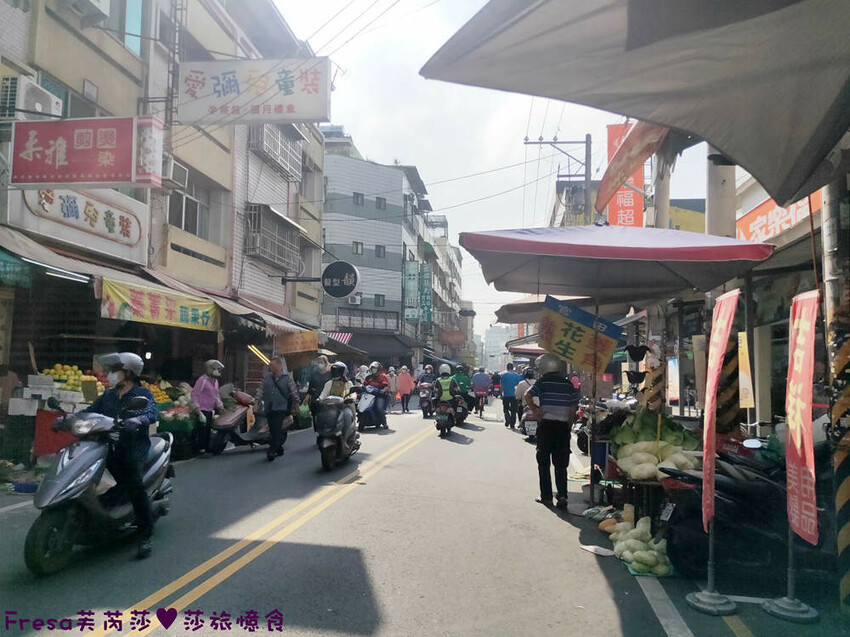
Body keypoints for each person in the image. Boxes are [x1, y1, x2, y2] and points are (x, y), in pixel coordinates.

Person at [82, 352, 158, 559]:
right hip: (108, 447)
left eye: (114, 371)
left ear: (129, 373)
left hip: (133, 448)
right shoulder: (108, 395)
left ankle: (145, 534)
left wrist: (139, 420)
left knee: (135, 486)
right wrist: (69, 418)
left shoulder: (142, 393)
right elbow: (91, 411)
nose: (110, 375)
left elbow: (151, 413)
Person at [524, 354, 581, 509]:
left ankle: (547, 497)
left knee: (543, 462)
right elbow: (573, 409)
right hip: (562, 427)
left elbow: (527, 395)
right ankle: (562, 496)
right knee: (561, 464)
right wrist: (568, 426)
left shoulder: (542, 382)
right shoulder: (568, 385)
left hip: (546, 426)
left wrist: (535, 411)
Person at [261, 356, 300, 462]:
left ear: (279, 365)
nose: (271, 367)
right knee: (272, 428)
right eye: (270, 366)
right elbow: (261, 390)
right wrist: (256, 401)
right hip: (269, 407)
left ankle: (271, 451)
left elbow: (293, 391)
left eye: (273, 365)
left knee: (276, 428)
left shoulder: (287, 377)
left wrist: (296, 405)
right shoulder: (267, 377)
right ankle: (278, 448)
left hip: (281, 407)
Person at [190, 360, 225, 454]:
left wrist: (220, 406)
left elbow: (216, 395)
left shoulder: (215, 381)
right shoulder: (202, 380)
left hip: (209, 409)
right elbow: (195, 394)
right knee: (201, 430)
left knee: (207, 429)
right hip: (201, 410)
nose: (217, 371)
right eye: (215, 369)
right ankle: (199, 449)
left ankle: (205, 448)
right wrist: (197, 409)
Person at [364, 361, 390, 426]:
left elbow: (386, 385)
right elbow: (364, 384)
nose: (374, 370)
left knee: (379, 408)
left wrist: (383, 390)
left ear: (378, 369)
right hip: (369, 395)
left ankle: (384, 423)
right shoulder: (368, 377)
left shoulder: (383, 376)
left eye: (375, 369)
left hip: (379, 395)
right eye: (372, 369)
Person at [500, 363, 523, 428]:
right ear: (513, 368)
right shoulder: (517, 376)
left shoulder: (503, 375)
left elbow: (501, 385)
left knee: (506, 408)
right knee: (513, 410)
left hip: (506, 395)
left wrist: (501, 393)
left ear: (507, 368)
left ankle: (507, 418)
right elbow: (519, 386)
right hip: (515, 395)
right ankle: (512, 424)